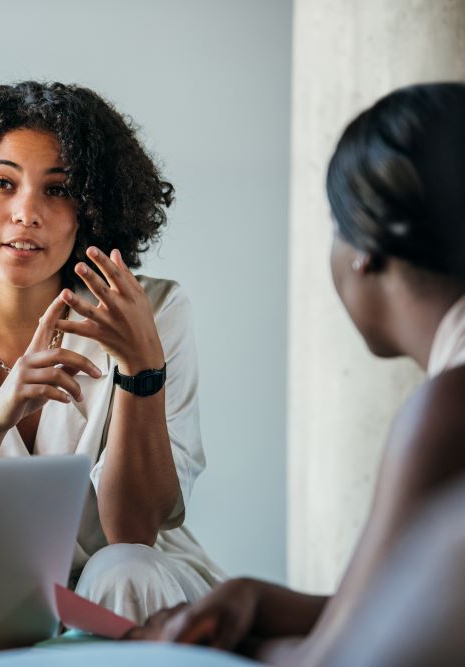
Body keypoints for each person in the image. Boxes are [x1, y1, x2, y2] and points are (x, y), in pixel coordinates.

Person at [0, 81, 223, 623]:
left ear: (91, 209)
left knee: (121, 568)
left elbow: (134, 531)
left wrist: (142, 370)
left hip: (138, 594)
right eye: (1, 182)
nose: (26, 212)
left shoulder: (153, 310)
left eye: (58, 190)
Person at [134, 82, 465, 665]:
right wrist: (254, 598)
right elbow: (403, 608)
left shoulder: (447, 409)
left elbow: (338, 660)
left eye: (335, 225)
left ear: (364, 245)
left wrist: (204, 650)